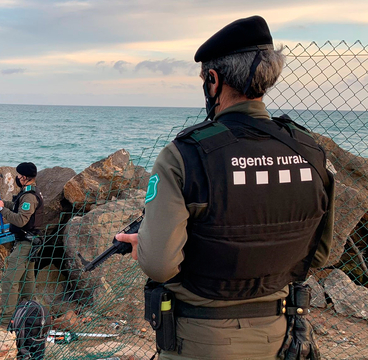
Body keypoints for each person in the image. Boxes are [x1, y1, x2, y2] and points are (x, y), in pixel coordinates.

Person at [117, 16, 335, 360]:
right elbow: (318, 254)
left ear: (214, 81)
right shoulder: (310, 151)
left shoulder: (184, 155)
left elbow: (159, 265)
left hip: (200, 340)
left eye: (205, 80)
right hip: (282, 338)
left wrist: (143, 244)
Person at [0, 162, 44, 324]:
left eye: (19, 176)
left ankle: (6, 322)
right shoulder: (27, 193)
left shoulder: (30, 197)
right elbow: (16, 206)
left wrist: (1, 210)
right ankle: (30, 316)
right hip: (29, 242)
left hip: (26, 243)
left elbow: (20, 219)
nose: (17, 178)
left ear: (25, 178)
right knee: (27, 280)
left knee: (10, 280)